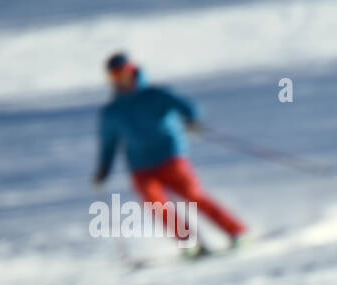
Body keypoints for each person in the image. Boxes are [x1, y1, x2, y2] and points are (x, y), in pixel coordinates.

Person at [92, 52, 247, 255]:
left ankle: (236, 232)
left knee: (193, 196)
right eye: (114, 75)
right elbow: (109, 143)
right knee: (157, 206)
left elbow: (189, 107)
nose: (121, 79)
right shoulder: (112, 111)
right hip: (140, 166)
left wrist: (191, 119)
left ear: (132, 71)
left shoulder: (156, 94)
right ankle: (189, 243)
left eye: (123, 73)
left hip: (170, 157)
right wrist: (104, 168)